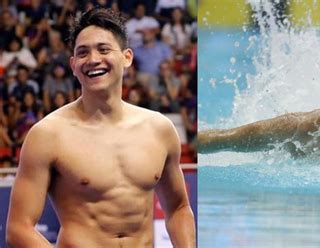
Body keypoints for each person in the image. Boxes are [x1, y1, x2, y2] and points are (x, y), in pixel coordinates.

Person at [6, 8, 195, 247]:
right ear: (74, 65)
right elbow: (18, 228)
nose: (93, 59)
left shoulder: (160, 129)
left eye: (104, 49)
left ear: (127, 57)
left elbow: (179, 208)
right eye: (83, 53)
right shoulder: (48, 135)